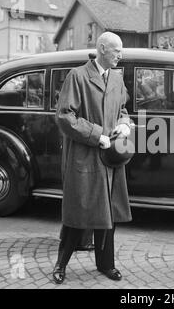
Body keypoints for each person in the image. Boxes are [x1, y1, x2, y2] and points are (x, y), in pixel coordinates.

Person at [52, 32, 132, 284]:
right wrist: (97, 135)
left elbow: (123, 109)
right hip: (85, 156)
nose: (121, 55)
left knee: (107, 215)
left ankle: (106, 265)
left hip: (110, 158)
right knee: (79, 214)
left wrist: (124, 124)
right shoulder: (77, 76)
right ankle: (61, 264)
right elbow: (65, 117)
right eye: (116, 50)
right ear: (101, 49)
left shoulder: (117, 78)